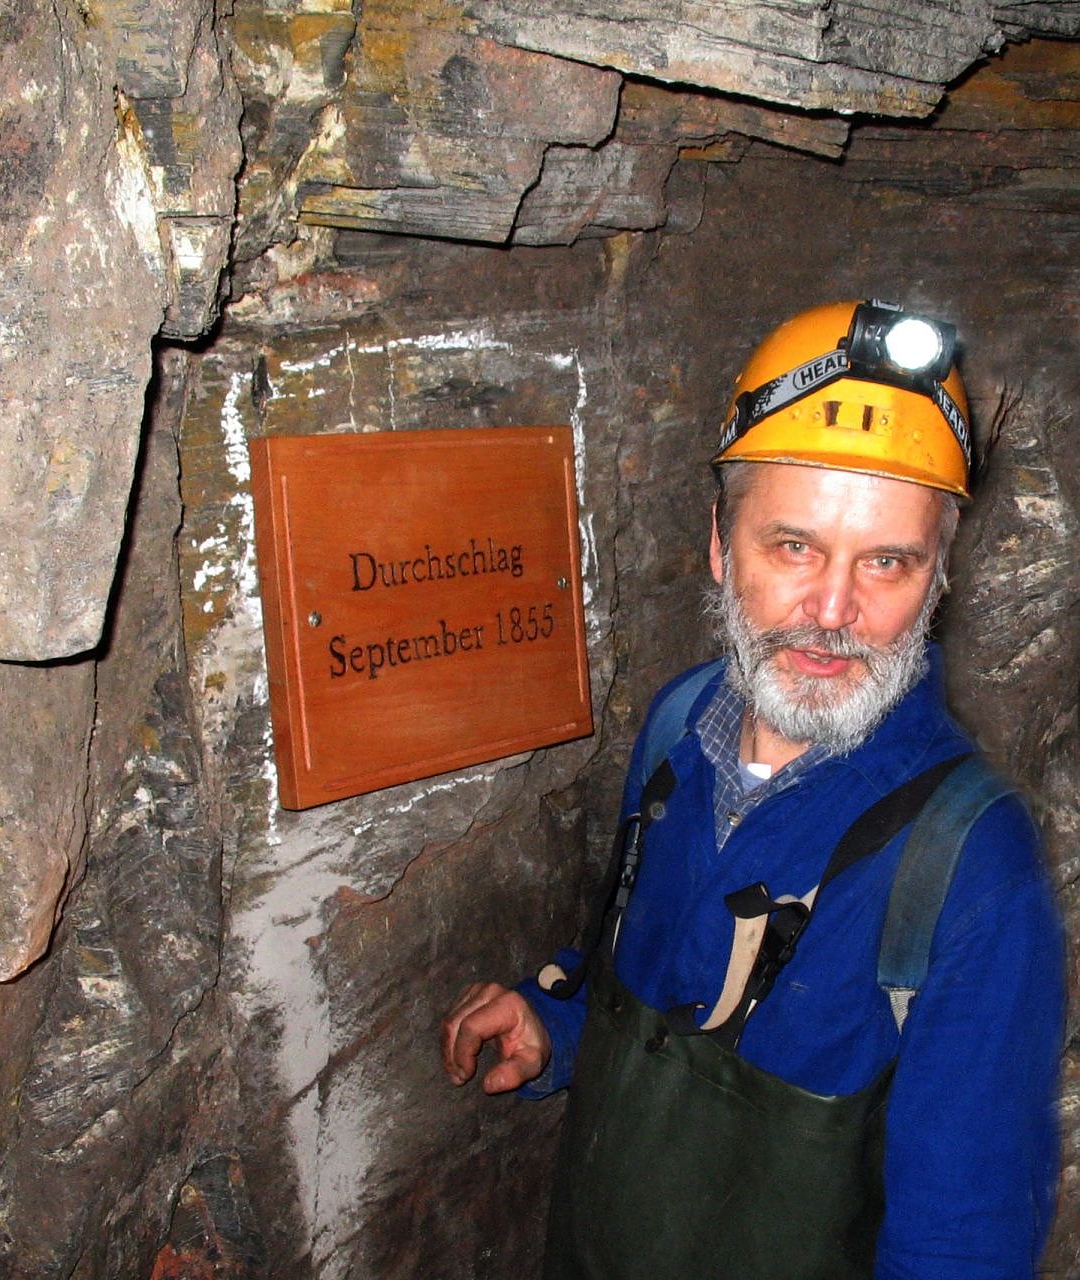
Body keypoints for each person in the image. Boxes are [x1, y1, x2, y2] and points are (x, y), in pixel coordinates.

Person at [440, 300, 1064, 1279]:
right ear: (719, 544)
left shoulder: (972, 869)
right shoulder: (678, 727)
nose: (833, 610)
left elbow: (961, 1244)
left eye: (887, 561)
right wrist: (556, 1022)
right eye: (793, 546)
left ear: (937, 579)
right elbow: (651, 964)